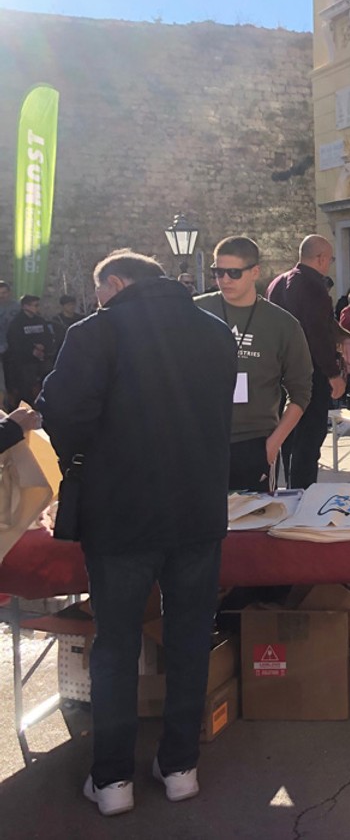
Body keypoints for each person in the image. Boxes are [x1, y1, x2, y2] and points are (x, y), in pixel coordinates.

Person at [39, 250, 236, 816]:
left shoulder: (94, 333)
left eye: (102, 291)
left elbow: (63, 415)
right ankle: (180, 767)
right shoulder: (215, 332)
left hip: (120, 513)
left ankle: (113, 780)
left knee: (118, 644)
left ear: (117, 284)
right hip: (197, 509)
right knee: (190, 636)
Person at [196, 236, 312, 491]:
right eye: (218, 272)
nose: (224, 279)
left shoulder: (283, 324)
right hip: (200, 441)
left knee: (254, 525)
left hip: (255, 442)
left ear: (254, 272)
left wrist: (272, 446)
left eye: (233, 273)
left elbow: (301, 392)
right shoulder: (195, 312)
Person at [266, 234, 345, 488]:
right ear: (321, 258)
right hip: (309, 375)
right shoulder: (314, 286)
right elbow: (316, 334)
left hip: (279, 374)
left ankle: (286, 492)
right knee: (308, 441)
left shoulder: (276, 284)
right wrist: (333, 373)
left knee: (286, 439)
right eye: (330, 259)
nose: (329, 264)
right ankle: (301, 496)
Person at [5, 294, 56, 407]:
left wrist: (44, 347)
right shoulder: (17, 323)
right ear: (25, 306)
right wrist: (31, 350)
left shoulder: (40, 320)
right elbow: (14, 343)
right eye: (35, 305)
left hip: (42, 359)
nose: (37, 308)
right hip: (25, 361)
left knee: (48, 378)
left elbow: (49, 337)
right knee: (26, 386)